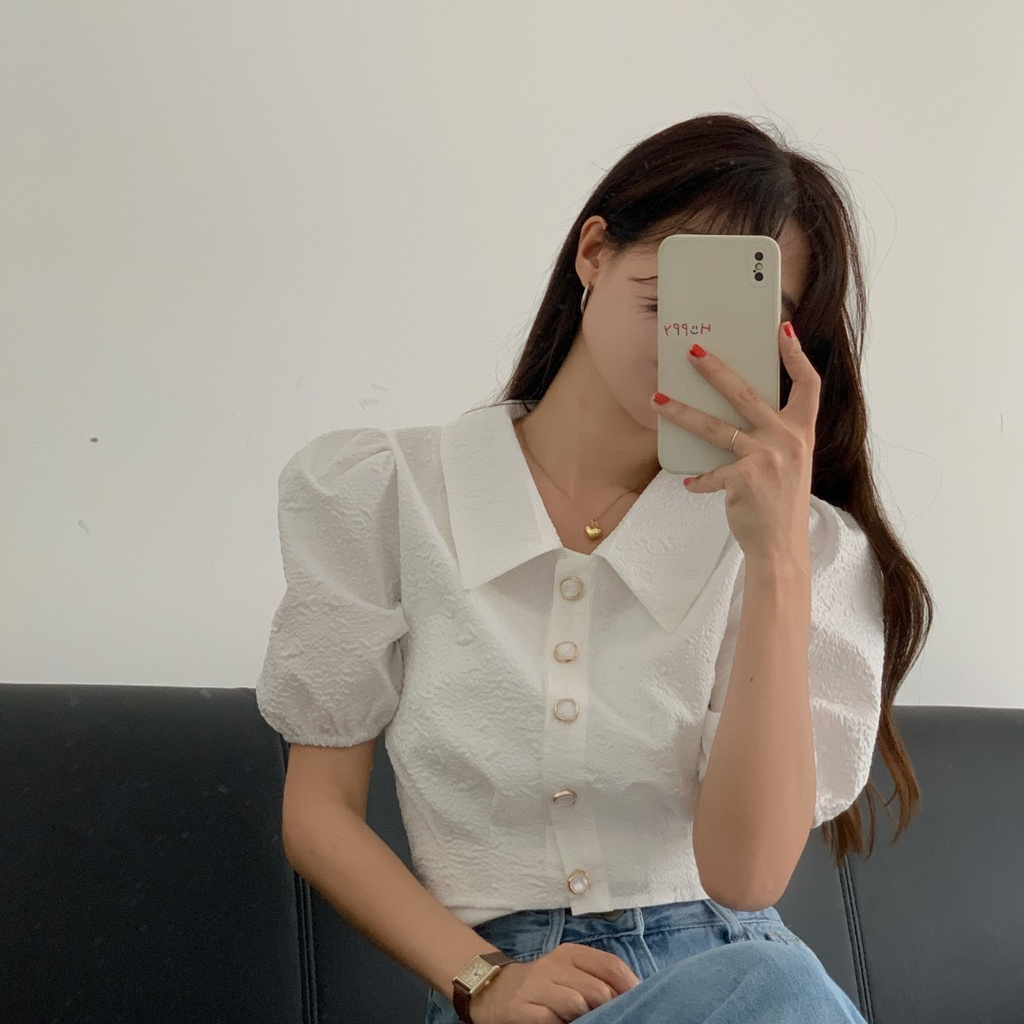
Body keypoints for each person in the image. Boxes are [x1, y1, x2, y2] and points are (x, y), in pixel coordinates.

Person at [255, 112, 933, 1024]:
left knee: (775, 991)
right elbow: (319, 815)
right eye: (675, 293)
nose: (693, 344)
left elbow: (744, 877)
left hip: (739, 981)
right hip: (506, 990)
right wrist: (484, 979)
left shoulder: (804, 549)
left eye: (743, 318)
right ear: (594, 254)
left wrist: (775, 558)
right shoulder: (387, 493)